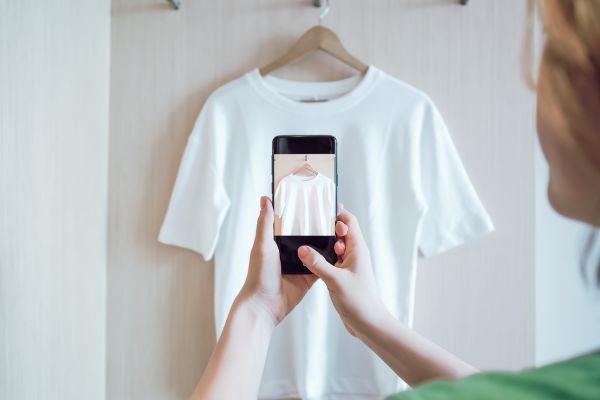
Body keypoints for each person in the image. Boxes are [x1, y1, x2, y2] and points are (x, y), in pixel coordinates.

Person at [190, 1, 600, 398]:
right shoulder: (225, 111)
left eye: (552, 48)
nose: (535, 80)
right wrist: (372, 321)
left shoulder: (411, 113)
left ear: (586, 88)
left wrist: (258, 312)